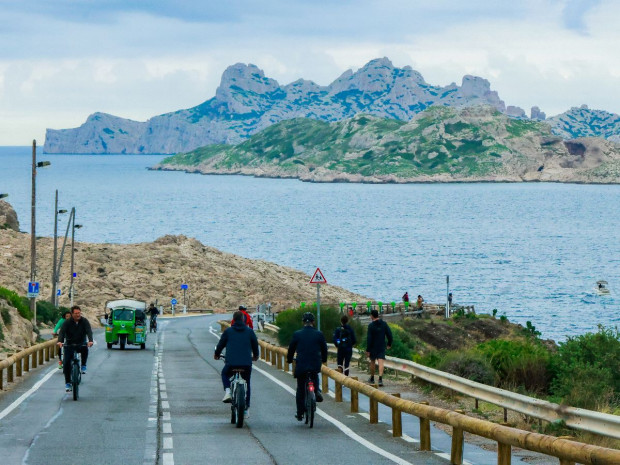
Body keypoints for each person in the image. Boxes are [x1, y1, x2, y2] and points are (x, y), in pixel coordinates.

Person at [214, 311, 259, 419]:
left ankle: (228, 392)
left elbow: (220, 345)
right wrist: (255, 356)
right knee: (247, 382)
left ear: (233, 320)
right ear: (243, 320)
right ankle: (246, 408)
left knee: (225, 374)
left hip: (231, 363)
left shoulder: (228, 331)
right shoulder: (249, 332)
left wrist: (216, 354)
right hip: (246, 364)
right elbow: (255, 346)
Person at [287, 312, 327, 421]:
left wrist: (289, 360)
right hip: (315, 363)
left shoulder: (297, 334)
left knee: (300, 388)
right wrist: (324, 359)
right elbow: (324, 349)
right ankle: (316, 391)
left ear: (303, 322)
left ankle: (300, 413)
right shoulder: (319, 334)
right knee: (314, 376)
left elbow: (291, 349)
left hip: (302, 364)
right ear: (313, 322)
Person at [57, 305, 94, 392]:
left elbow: (89, 331)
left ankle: (83, 365)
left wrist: (90, 340)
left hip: (81, 343)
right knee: (66, 363)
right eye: (76, 313)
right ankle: (67, 383)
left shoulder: (84, 321)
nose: (78, 315)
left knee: (85, 348)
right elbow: (62, 332)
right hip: (69, 344)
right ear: (72, 314)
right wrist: (60, 341)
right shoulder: (67, 322)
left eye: (79, 313)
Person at [365, 309, 392, 387]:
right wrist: (389, 343)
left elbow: (369, 338)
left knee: (372, 362)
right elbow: (389, 334)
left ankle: (372, 378)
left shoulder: (371, 326)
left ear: (372, 316)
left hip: (373, 346)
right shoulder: (384, 324)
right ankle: (380, 379)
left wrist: (368, 349)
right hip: (381, 346)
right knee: (381, 362)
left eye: (370, 315)